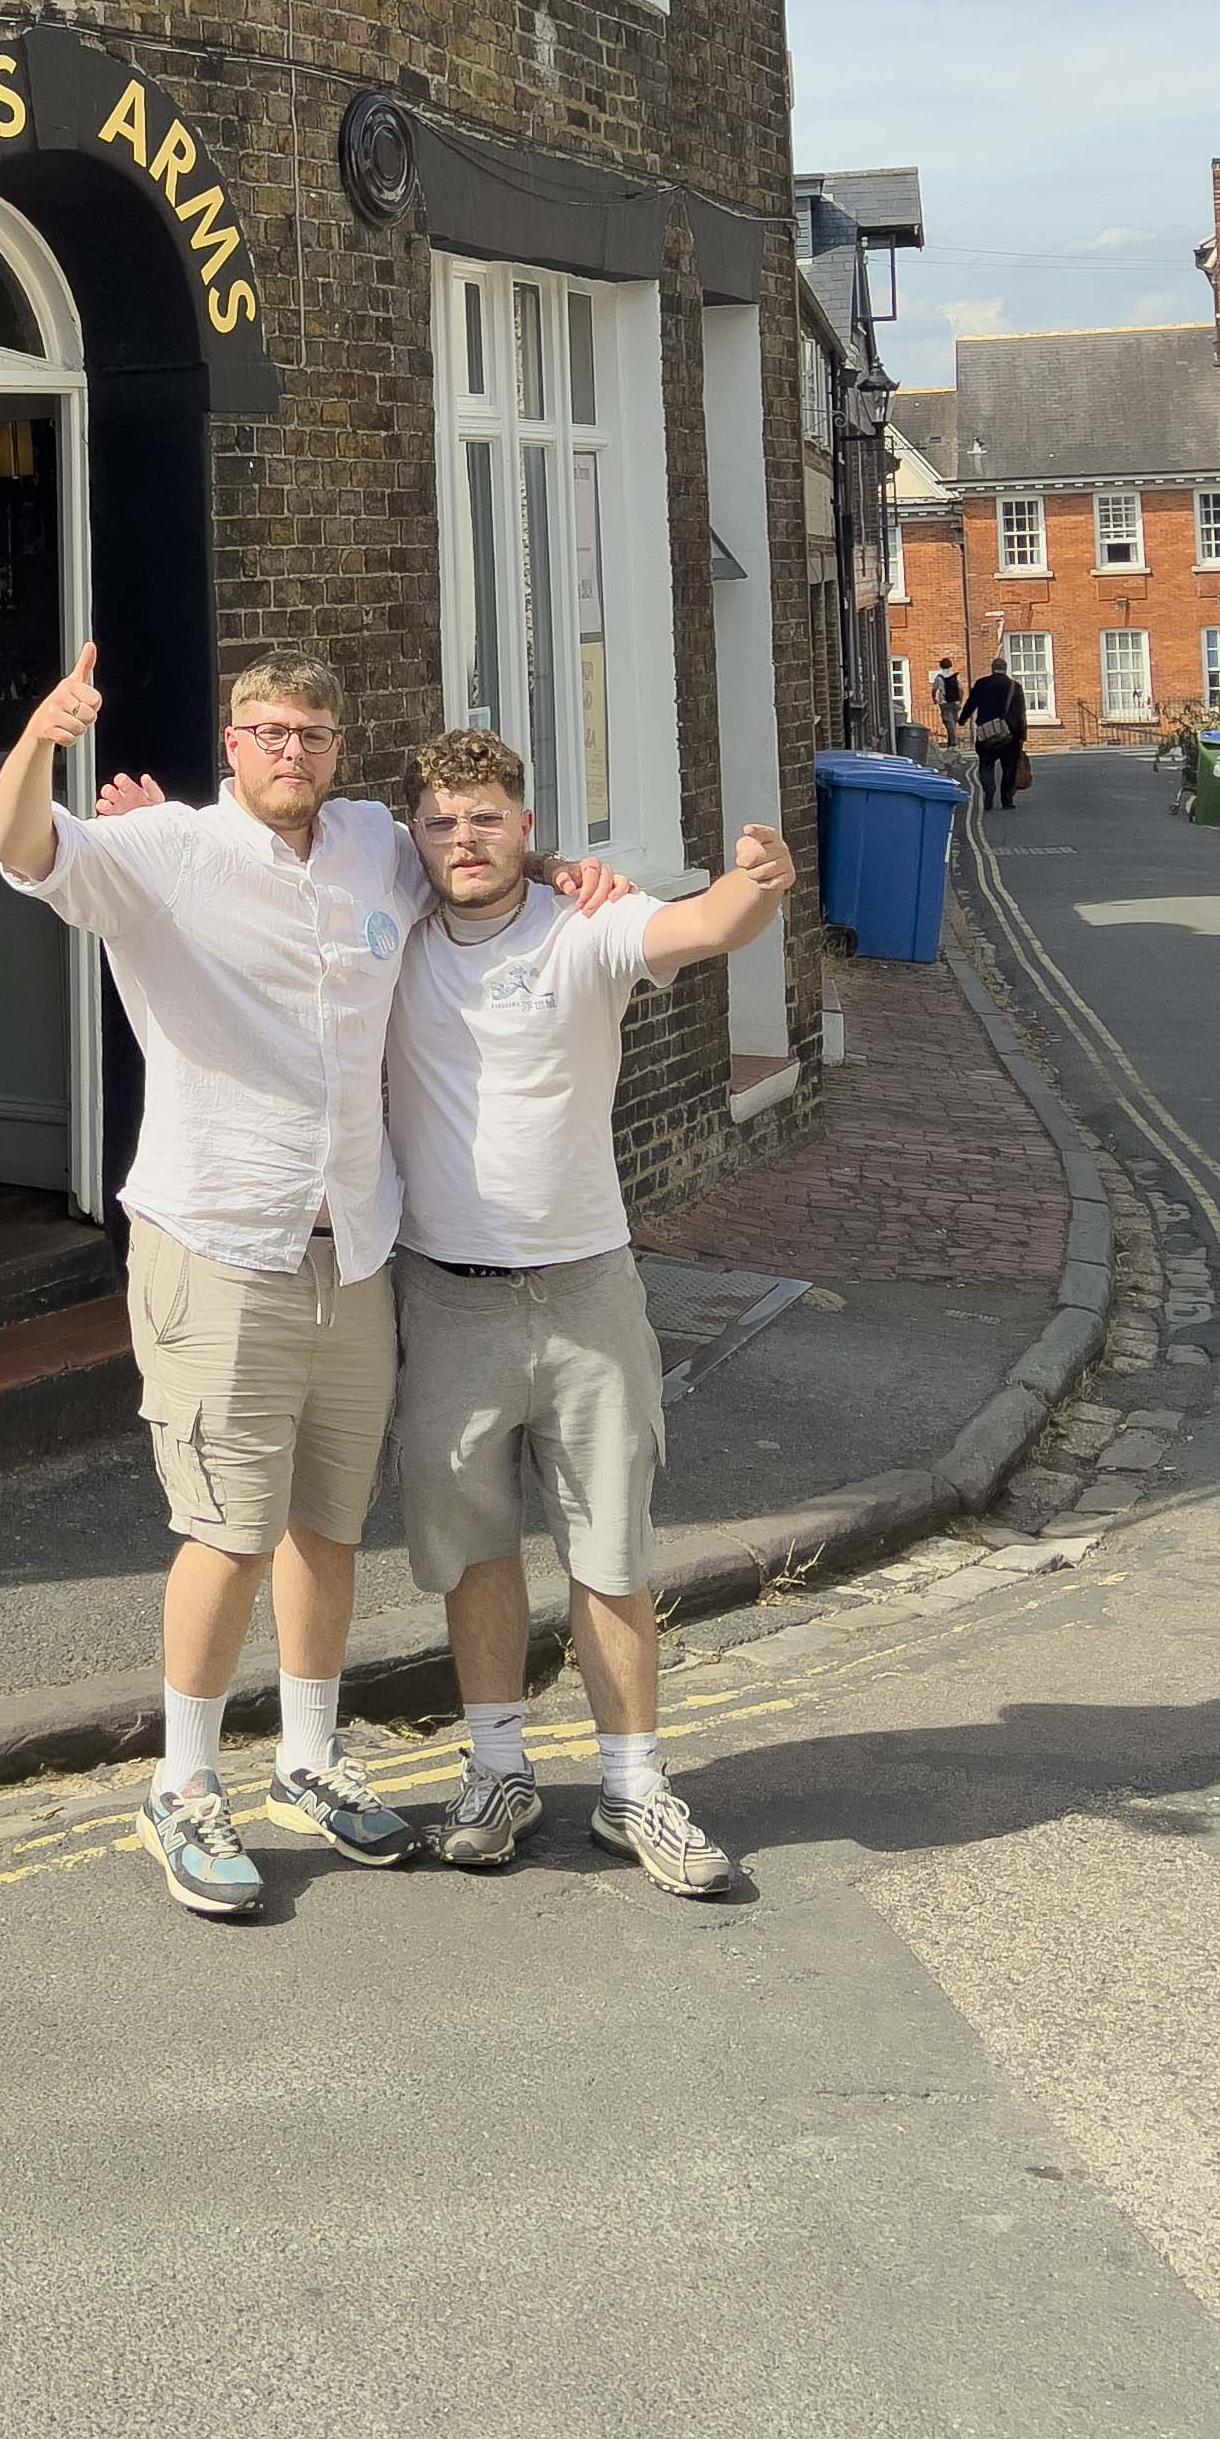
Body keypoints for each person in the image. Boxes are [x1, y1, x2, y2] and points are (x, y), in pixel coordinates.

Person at [0, 643, 619, 1923]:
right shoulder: (161, 854)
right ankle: (182, 1785)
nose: (290, 752)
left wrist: (561, 869)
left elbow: (462, 850)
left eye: (312, 734)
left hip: (358, 1246)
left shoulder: (376, 844)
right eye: (268, 731)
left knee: (324, 1523)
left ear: (337, 748)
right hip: (220, 1240)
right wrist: (44, 735)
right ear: (233, 744)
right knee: (223, 1528)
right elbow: (19, 848)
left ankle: (312, 1758)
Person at [385, 731, 795, 1897]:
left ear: (526, 824)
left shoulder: (585, 926)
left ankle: (633, 1787)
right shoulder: (397, 936)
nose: (465, 839)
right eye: (443, 821)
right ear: (418, 837)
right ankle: (498, 1771)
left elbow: (702, 928)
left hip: (585, 1291)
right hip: (445, 1295)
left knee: (609, 1554)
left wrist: (754, 881)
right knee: (474, 1551)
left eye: (488, 818)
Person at [963, 654, 1028, 810]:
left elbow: (971, 704)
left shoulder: (981, 684)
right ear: (1005, 669)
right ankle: (1006, 800)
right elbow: (1021, 713)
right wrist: (1021, 735)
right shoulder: (1014, 686)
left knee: (986, 765)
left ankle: (989, 791)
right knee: (1009, 767)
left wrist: (962, 719)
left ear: (992, 669)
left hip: (986, 734)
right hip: (1009, 735)